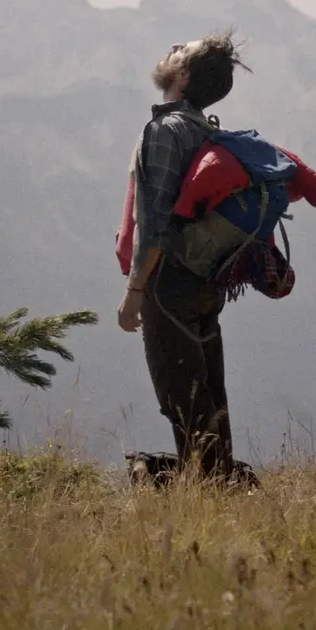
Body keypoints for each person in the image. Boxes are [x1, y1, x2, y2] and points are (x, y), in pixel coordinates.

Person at [117, 31, 250, 480]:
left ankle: (201, 489)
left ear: (184, 74)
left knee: (183, 399)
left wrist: (135, 290)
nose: (173, 47)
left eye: (182, 51)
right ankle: (220, 485)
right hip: (205, 282)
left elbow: (155, 222)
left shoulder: (164, 131)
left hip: (169, 282)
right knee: (210, 395)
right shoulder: (204, 130)